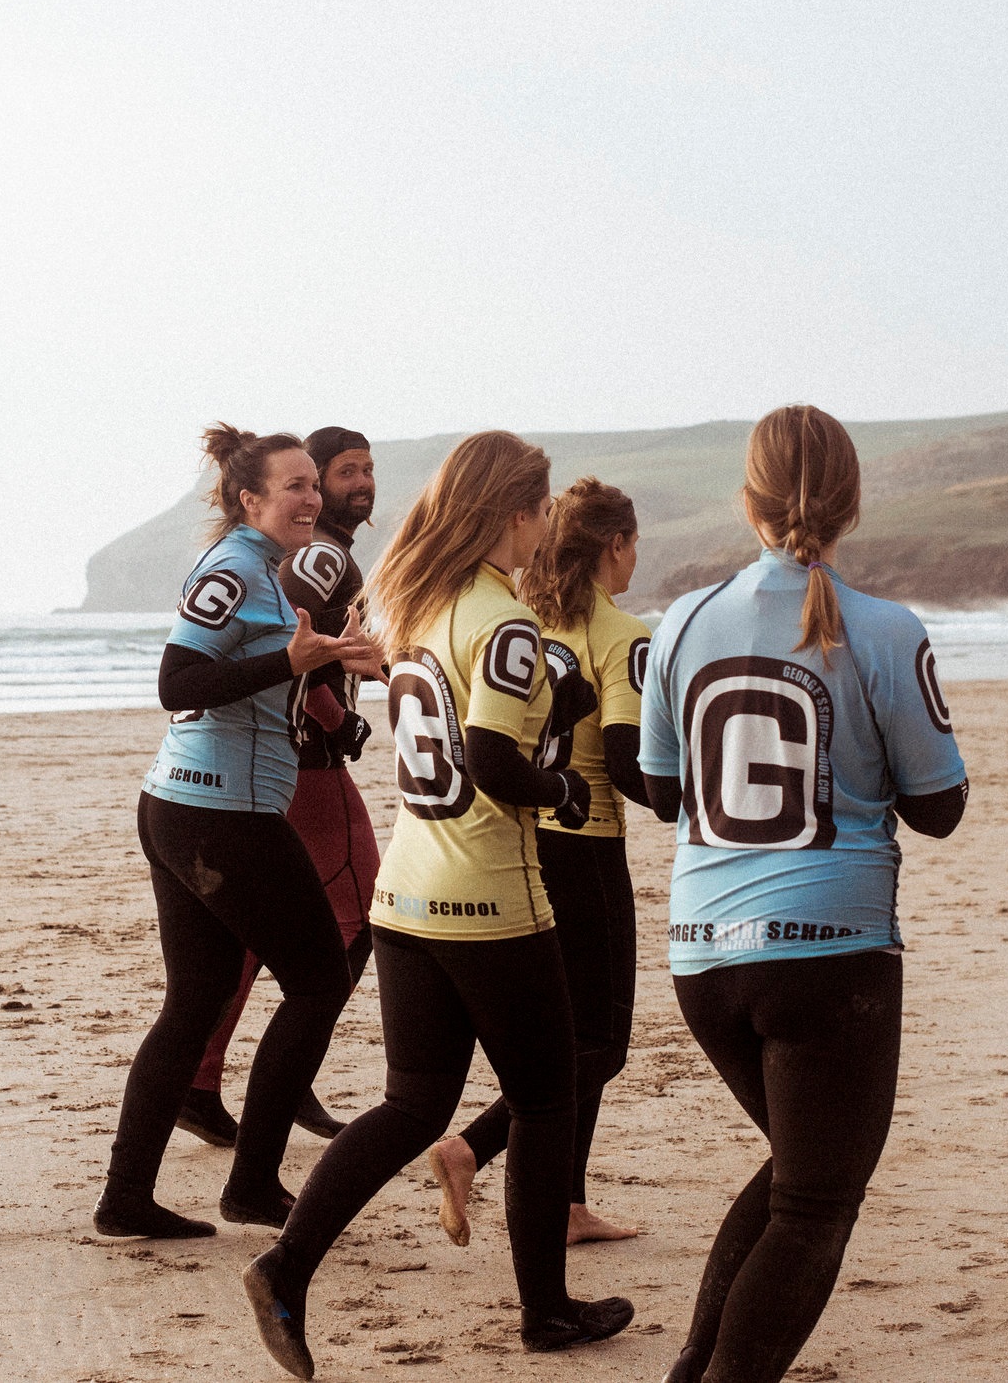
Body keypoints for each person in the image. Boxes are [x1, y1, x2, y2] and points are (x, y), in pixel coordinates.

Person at [244, 431, 635, 1379]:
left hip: (405, 892)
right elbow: (498, 762)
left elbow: (472, 725)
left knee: (415, 1102)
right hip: (490, 896)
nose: (546, 525)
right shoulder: (498, 616)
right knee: (549, 1096)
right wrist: (567, 791)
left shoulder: (417, 601)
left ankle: (286, 1266)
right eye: (539, 508)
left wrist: (563, 695)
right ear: (513, 511)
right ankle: (545, 1310)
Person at [643, 406, 969, 1383]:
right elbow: (940, 806)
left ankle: (692, 1365)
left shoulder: (683, 619)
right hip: (831, 952)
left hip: (702, 954)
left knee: (799, 1172)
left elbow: (663, 792)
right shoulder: (882, 627)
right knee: (816, 1202)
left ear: (746, 499)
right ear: (851, 502)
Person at [96, 426, 384, 1240]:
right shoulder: (233, 566)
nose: (311, 497)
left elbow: (280, 665)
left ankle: (125, 1199)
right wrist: (291, 666)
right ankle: (253, 1184)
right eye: (294, 485)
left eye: (312, 486)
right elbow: (176, 680)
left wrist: (333, 659)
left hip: (200, 806)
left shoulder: (271, 572)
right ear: (249, 499)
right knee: (320, 981)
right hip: (215, 811)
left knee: (195, 1000)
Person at [430, 477, 651, 1249]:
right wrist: (698, 808)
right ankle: (471, 1149)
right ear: (614, 545)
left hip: (525, 839)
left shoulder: (530, 618)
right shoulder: (621, 632)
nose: (635, 556)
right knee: (600, 1043)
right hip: (586, 844)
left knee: (572, 1032)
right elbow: (624, 762)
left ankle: (566, 1204)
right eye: (632, 542)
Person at [177, 426, 382, 1150]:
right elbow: (284, 642)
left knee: (256, 932)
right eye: (342, 472)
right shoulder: (322, 553)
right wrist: (333, 713)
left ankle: (204, 1080)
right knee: (357, 912)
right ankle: (283, 1073)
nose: (358, 483)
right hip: (305, 762)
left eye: (366, 469)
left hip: (276, 762)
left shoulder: (302, 548)